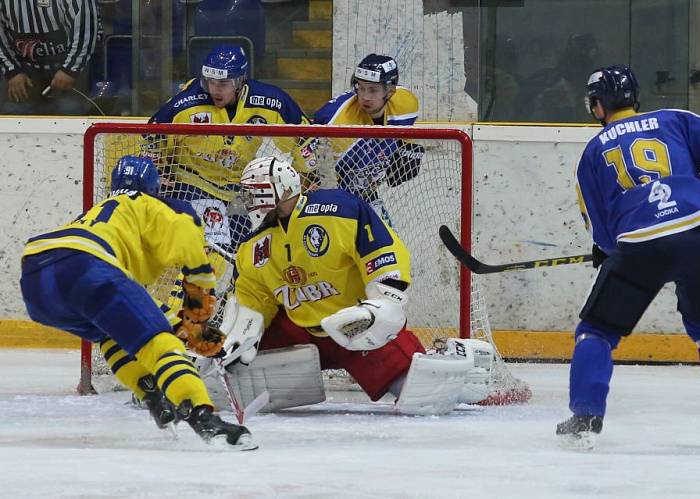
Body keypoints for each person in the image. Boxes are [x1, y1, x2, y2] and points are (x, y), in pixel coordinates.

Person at [559, 65, 700, 450]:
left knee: (596, 332)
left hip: (641, 246)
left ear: (598, 106)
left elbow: (602, 231)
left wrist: (611, 254)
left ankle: (585, 418)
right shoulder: (677, 119)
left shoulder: (593, 153)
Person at [201, 157, 493, 416]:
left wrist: (384, 302)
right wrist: (234, 336)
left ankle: (458, 360)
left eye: (254, 193)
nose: (248, 201)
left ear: (279, 190)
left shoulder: (337, 210)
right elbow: (253, 298)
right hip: (298, 330)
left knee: (422, 396)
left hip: (354, 329)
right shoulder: (253, 246)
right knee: (226, 372)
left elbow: (380, 250)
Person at [19, 155, 255, 450]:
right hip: (87, 266)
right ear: (154, 187)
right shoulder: (163, 206)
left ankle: (154, 397)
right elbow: (195, 260)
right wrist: (197, 321)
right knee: (159, 343)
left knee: (111, 334)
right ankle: (203, 417)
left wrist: (180, 322)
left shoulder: (104, 212)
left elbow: (136, 306)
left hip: (36, 279)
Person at [146, 44, 317, 252]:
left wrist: (310, 176)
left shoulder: (270, 102)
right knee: (213, 246)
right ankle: (190, 284)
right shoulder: (186, 103)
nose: (214, 90)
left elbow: (304, 136)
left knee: (245, 249)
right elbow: (152, 136)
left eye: (223, 83)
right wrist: (157, 171)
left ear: (239, 81)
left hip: (239, 187)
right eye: (210, 82)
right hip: (196, 182)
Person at [314, 53, 424, 226]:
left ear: (390, 91)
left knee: (389, 246)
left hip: (367, 193)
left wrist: (408, 148)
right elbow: (314, 173)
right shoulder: (338, 123)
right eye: (361, 87)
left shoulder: (406, 104)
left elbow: (407, 139)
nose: (364, 96)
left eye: (373, 90)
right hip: (331, 197)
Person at [0, 0, 101, 115]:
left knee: (70, 109)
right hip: (24, 67)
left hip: (67, 64)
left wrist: (70, 70)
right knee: (13, 110)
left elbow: (86, 30)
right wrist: (12, 71)